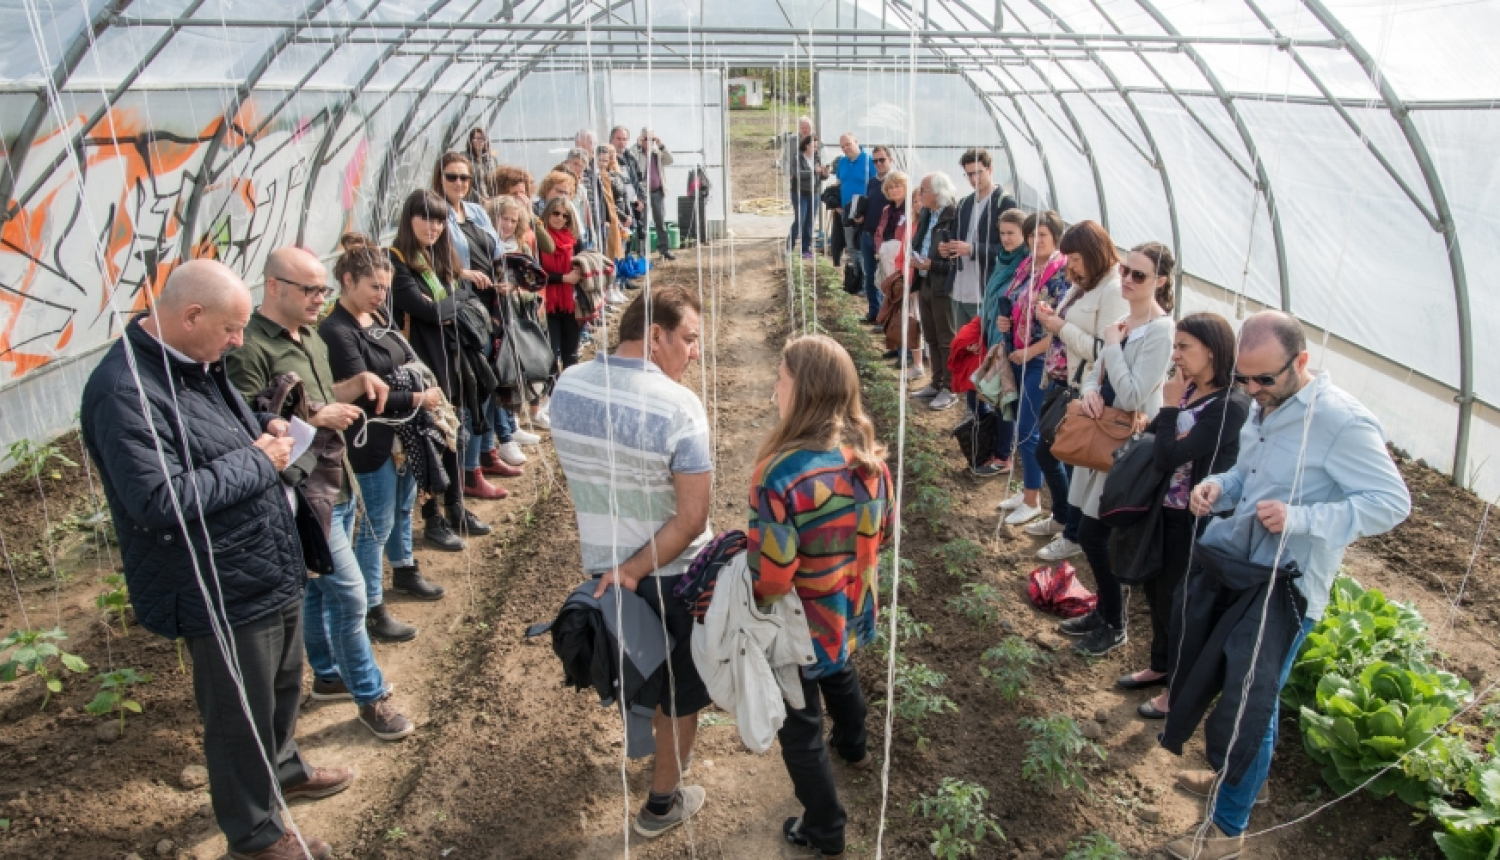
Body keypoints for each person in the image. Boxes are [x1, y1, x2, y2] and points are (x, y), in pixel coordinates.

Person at [81, 259, 349, 860]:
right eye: (231, 329)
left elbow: (225, 429)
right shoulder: (124, 391)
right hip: (216, 581)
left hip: (263, 561)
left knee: (282, 684)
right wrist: (261, 459)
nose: (238, 341)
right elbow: (156, 499)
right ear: (190, 315)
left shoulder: (198, 363)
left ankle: (283, 771)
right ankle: (253, 834)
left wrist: (267, 422)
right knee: (238, 715)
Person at [1162, 310, 1411, 860]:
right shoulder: (1264, 405)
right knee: (1248, 692)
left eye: (1264, 380)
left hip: (1288, 587)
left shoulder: (1340, 422)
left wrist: (1302, 519)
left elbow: (1393, 504)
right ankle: (1244, 781)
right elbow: (1247, 478)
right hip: (1243, 571)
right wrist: (1214, 488)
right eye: (1245, 379)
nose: (1252, 391)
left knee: (1255, 698)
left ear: (1300, 362)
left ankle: (1228, 831)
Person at [226, 246, 416, 740]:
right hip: (301, 495)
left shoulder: (307, 336)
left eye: (322, 290)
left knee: (317, 591)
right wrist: (313, 418)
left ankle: (329, 675)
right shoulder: (249, 349)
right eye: (309, 290)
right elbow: (246, 425)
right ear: (273, 287)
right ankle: (370, 696)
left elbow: (320, 396)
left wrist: (350, 387)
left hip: (336, 479)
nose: (319, 298)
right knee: (351, 594)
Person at [550, 286, 713, 838]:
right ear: (657, 335)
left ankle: (648, 756)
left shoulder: (566, 387)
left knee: (639, 666)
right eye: (688, 339)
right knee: (679, 692)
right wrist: (637, 568)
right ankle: (661, 806)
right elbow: (691, 519)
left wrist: (619, 570)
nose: (693, 353)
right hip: (672, 576)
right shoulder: (676, 404)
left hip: (605, 572)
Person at [750, 334, 893, 860]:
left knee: (800, 724)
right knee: (838, 667)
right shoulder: (868, 460)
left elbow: (774, 575)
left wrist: (753, 595)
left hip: (800, 622)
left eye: (781, 378)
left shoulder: (780, 475)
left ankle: (825, 829)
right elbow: (887, 531)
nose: (774, 387)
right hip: (848, 604)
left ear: (804, 390)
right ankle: (853, 744)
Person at [319, 233, 451, 646]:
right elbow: (364, 392)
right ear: (347, 281)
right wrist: (417, 396)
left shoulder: (375, 319)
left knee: (403, 507)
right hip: (371, 441)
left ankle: (406, 569)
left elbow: (402, 361)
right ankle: (372, 607)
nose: (381, 295)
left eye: (384, 286)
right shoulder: (336, 331)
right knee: (376, 521)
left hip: (405, 433)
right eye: (373, 286)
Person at [1123, 313, 1249, 720]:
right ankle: (1160, 664)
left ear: (1211, 351)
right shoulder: (1190, 389)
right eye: (1175, 346)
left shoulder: (1230, 405)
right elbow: (1158, 434)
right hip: (1165, 511)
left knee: (1182, 606)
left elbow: (1170, 455)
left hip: (1197, 520)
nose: (1175, 355)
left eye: (1183, 348)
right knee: (1157, 594)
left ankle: (1178, 692)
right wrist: (1164, 414)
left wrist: (1167, 405)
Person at [387, 188, 493, 549]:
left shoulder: (437, 257)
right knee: (429, 440)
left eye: (439, 220)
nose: (432, 226)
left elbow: (447, 304)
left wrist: (454, 297)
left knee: (452, 434)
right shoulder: (397, 262)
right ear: (409, 219)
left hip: (449, 360)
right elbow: (431, 311)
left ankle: (456, 507)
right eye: (425, 218)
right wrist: (458, 297)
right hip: (420, 365)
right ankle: (432, 519)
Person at [1026, 219, 1129, 561]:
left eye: (1075, 258)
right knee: (1050, 452)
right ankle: (1061, 518)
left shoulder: (1113, 291)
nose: (1069, 265)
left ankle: (1073, 534)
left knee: (1067, 457)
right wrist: (1050, 317)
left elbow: (1106, 350)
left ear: (1094, 253)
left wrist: (1060, 326)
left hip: (1084, 389)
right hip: (1062, 381)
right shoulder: (1085, 283)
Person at [432, 152, 526, 496]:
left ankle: (487, 453)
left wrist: (504, 277)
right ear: (438, 178)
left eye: (464, 178)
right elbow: (433, 259)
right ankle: (469, 473)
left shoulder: (473, 211)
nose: (459, 183)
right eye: (452, 177)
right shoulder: (434, 214)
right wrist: (462, 273)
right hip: (466, 314)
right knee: (474, 392)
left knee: (491, 387)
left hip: (491, 307)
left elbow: (497, 250)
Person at [999, 211, 1070, 526]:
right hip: (1020, 354)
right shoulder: (1028, 267)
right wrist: (1007, 320)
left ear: (1056, 237)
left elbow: (1060, 328)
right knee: (1020, 426)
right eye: (1031, 235)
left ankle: (1032, 500)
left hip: (1041, 360)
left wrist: (1030, 351)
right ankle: (1027, 486)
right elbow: (1017, 304)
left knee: (1030, 431)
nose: (1035, 241)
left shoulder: (1060, 274)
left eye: (1042, 235)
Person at [969, 207, 1028, 474]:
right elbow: (991, 300)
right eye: (1002, 233)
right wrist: (981, 333)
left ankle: (1003, 456)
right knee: (979, 393)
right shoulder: (1003, 259)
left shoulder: (1026, 263)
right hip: (993, 336)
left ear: (1024, 235)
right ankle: (992, 443)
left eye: (1011, 233)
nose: (1006, 239)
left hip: (1011, 343)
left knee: (1005, 399)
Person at [939, 148, 1018, 334]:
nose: (974, 179)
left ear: (990, 170)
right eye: (969, 174)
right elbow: (958, 238)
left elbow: (1009, 250)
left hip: (984, 292)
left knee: (982, 349)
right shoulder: (965, 203)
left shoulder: (1004, 203)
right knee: (962, 347)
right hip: (959, 289)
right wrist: (947, 248)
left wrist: (973, 249)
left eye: (978, 173)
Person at [908, 171, 959, 411]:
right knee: (931, 336)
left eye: (923, 190)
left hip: (943, 286)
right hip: (926, 281)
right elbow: (920, 242)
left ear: (938, 193)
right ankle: (937, 382)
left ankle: (950, 388)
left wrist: (933, 265)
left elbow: (957, 261)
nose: (920, 195)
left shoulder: (954, 218)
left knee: (946, 338)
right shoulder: (928, 214)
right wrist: (916, 259)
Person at [872, 170, 922, 382]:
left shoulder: (913, 214)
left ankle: (913, 356)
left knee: (910, 313)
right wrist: (880, 248)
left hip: (909, 271)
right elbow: (880, 232)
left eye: (898, 186)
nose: (894, 190)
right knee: (897, 308)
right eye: (890, 187)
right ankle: (901, 350)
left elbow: (907, 244)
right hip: (894, 265)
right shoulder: (887, 210)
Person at [538, 197, 585, 375]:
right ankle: (551, 395)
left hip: (570, 304)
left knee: (571, 355)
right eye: (556, 213)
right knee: (550, 353)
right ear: (548, 213)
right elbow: (535, 274)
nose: (560, 218)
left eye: (565, 216)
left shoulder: (573, 240)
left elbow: (583, 264)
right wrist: (563, 278)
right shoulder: (539, 239)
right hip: (547, 304)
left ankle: (569, 390)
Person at [831, 133, 876, 285]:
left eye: (848, 144)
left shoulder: (869, 161)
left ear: (856, 142)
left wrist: (867, 212)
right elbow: (838, 183)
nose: (845, 148)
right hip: (846, 212)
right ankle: (857, 280)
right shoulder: (842, 162)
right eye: (842, 146)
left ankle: (867, 282)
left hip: (864, 213)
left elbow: (876, 185)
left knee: (864, 248)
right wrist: (835, 203)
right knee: (851, 246)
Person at [857, 145, 895, 323]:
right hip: (868, 233)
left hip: (887, 238)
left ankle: (885, 317)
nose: (878, 163)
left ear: (890, 160)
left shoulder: (896, 183)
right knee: (870, 274)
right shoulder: (872, 182)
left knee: (886, 277)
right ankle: (873, 312)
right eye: (875, 161)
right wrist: (860, 215)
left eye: (882, 160)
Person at [633, 127, 677, 260]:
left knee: (660, 222)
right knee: (643, 223)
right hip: (642, 193)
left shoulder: (657, 152)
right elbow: (629, 157)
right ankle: (642, 252)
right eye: (646, 138)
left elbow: (670, 160)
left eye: (652, 139)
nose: (649, 142)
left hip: (657, 191)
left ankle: (664, 249)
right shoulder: (636, 152)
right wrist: (637, 145)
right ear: (641, 139)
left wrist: (661, 144)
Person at [788, 130, 822, 259]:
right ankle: (789, 247)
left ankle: (805, 250)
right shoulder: (798, 157)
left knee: (809, 222)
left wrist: (823, 174)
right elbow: (798, 174)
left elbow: (819, 175)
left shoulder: (817, 157)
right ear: (806, 145)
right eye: (814, 146)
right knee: (800, 220)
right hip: (800, 193)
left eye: (816, 146)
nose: (815, 148)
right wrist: (814, 171)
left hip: (814, 193)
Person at [466, 127, 499, 200]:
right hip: (471, 200)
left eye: (482, 139)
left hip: (490, 201)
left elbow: (496, 182)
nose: (479, 141)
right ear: (470, 141)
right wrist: (480, 199)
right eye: (476, 139)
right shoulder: (465, 159)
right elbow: (466, 183)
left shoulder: (492, 160)